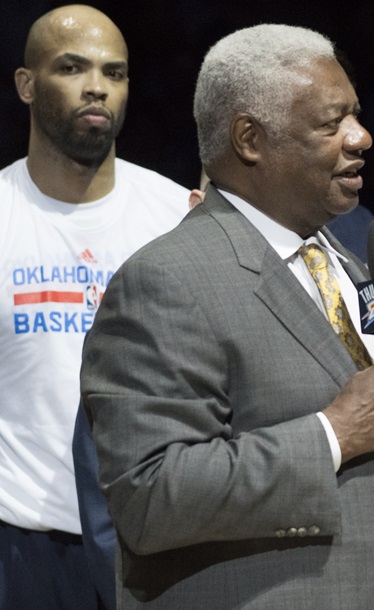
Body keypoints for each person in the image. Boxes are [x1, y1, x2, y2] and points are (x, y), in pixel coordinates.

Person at [80, 24, 374, 608]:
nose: (362, 137)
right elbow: (150, 497)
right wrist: (336, 432)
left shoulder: (353, 267)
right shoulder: (165, 281)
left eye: (356, 114)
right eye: (332, 123)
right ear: (250, 139)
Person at [0, 5, 188, 608]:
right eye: (72, 67)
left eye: (115, 72)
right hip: (23, 547)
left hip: (156, 543)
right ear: (26, 85)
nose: (96, 87)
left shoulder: (176, 216)